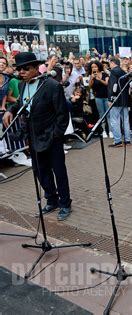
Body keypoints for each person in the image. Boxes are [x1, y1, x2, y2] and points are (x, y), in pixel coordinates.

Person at [2, 52, 72, 221]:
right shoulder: (22, 85)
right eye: (19, 69)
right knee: (40, 171)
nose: (22, 72)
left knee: (59, 171)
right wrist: (10, 110)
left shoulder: (51, 85)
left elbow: (62, 115)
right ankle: (51, 199)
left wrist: (56, 135)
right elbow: (21, 102)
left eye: (26, 68)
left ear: (35, 68)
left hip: (52, 138)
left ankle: (65, 204)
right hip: (33, 137)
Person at [107, 57, 131, 147]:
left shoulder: (114, 71)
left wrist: (110, 98)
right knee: (125, 120)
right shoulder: (123, 72)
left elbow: (113, 86)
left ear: (113, 62)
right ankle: (127, 140)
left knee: (115, 121)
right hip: (124, 99)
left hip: (116, 100)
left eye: (110, 63)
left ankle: (117, 141)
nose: (109, 65)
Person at [88, 60, 111, 138]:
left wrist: (99, 79)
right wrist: (92, 78)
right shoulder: (91, 76)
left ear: (98, 67)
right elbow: (90, 86)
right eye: (92, 67)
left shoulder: (105, 74)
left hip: (106, 97)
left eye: (95, 67)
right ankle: (104, 130)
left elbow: (107, 84)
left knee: (108, 115)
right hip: (98, 98)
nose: (94, 68)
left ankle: (110, 131)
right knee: (101, 115)